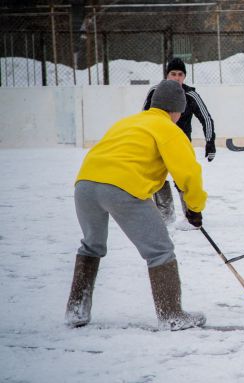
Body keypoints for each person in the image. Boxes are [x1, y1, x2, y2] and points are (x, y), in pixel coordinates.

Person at [65, 80, 208, 331]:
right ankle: (171, 314)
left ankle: (76, 309)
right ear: (177, 110)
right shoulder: (169, 129)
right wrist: (194, 209)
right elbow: (189, 174)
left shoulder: (127, 122)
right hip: (122, 188)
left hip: (85, 184)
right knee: (160, 250)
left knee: (91, 245)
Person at [143, 57, 215, 225]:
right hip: (157, 145)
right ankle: (165, 216)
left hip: (180, 145)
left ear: (184, 76)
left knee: (184, 179)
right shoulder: (155, 92)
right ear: (167, 75)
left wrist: (210, 141)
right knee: (156, 178)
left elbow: (206, 118)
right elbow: (144, 118)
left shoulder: (190, 94)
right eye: (173, 73)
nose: (176, 77)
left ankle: (190, 214)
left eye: (180, 74)